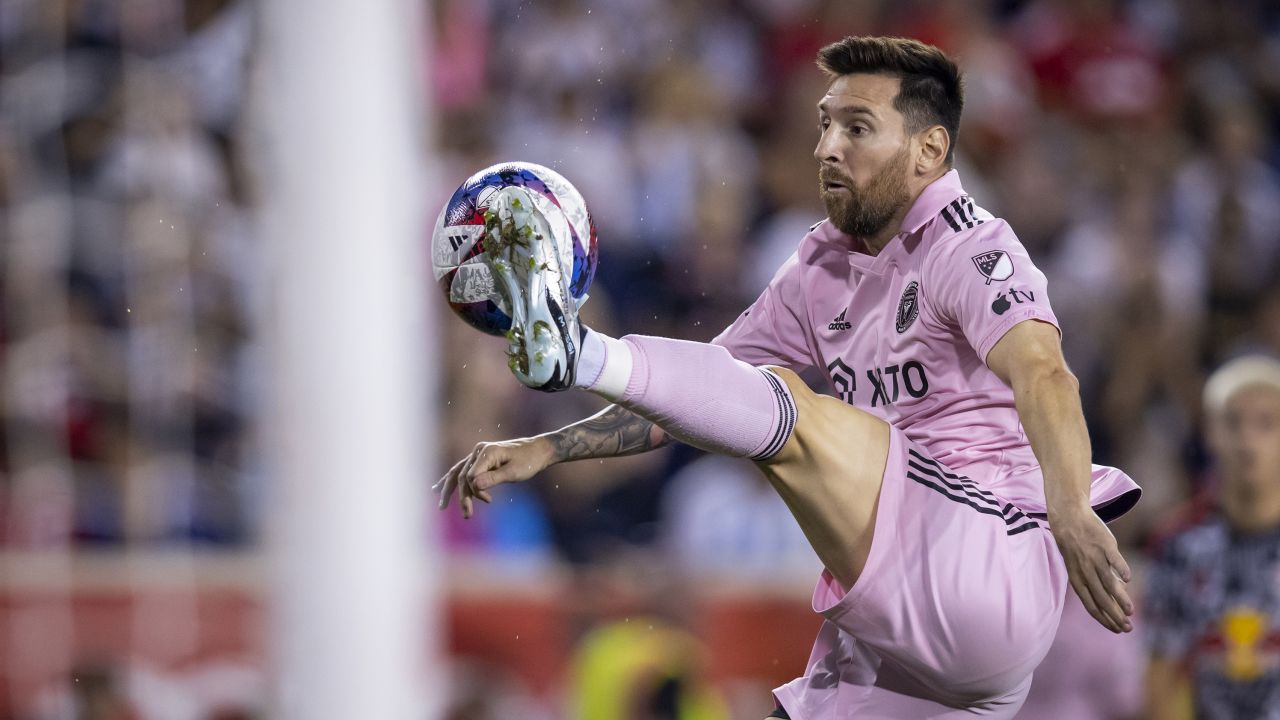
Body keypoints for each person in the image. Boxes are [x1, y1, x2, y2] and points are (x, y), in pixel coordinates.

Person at [436, 36, 1140, 719]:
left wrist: (1071, 508)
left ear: (929, 150)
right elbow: (701, 395)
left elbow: (1045, 373)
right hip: (900, 650)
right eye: (827, 124)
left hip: (991, 560)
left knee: (792, 413)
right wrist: (550, 448)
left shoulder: (970, 243)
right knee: (759, 402)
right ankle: (578, 355)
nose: (828, 147)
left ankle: (578, 349)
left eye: (858, 127)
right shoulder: (818, 270)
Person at [1145, 356, 1280, 720]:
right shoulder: (1177, 544)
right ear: (1211, 432)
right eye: (1233, 422)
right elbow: (1161, 672)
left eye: (1266, 423)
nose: (1247, 438)